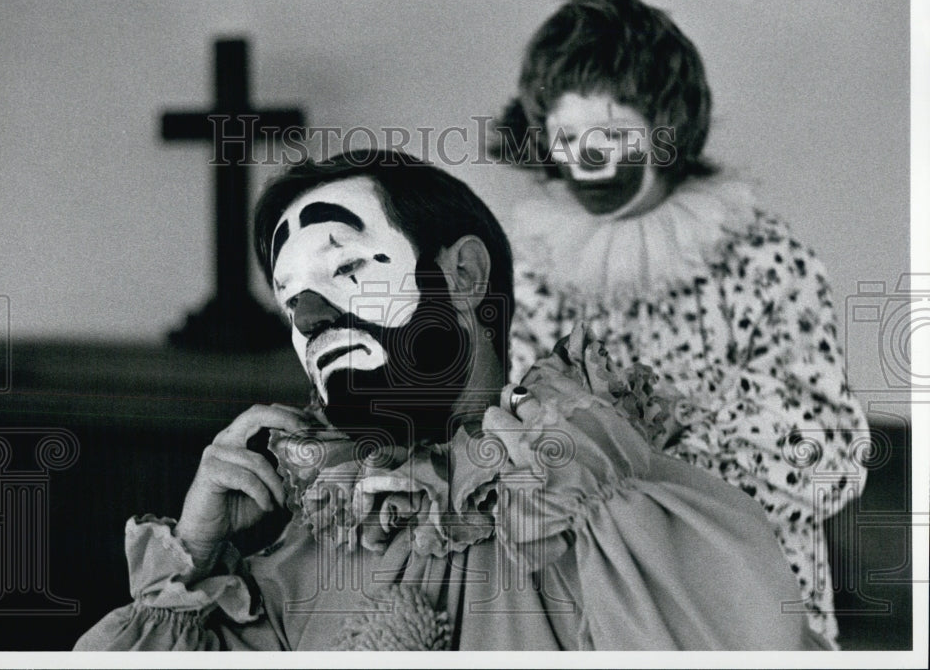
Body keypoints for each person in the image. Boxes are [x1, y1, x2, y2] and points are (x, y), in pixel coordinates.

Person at [75, 150, 822, 651]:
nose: (308, 317)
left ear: (463, 274)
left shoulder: (596, 499)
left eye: (347, 267)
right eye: (291, 298)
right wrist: (194, 562)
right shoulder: (302, 543)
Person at [490, 0, 869, 645]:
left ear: (669, 130)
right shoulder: (537, 270)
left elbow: (829, 456)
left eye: (613, 137)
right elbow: (528, 446)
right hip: (605, 609)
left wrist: (637, 463)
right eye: (569, 139)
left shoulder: (764, 261)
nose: (590, 163)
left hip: (753, 604)